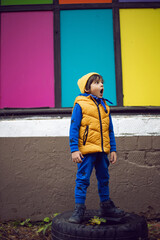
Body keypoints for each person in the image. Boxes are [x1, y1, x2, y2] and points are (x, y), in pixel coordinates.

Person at [69, 72, 124, 224]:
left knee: (104, 178)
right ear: (87, 88)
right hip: (86, 151)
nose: (101, 85)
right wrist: (74, 149)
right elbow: (74, 128)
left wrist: (112, 149)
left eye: (102, 83)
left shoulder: (105, 106)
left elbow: (109, 130)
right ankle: (79, 209)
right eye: (97, 83)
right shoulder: (80, 104)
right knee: (82, 180)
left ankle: (106, 206)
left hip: (102, 151)